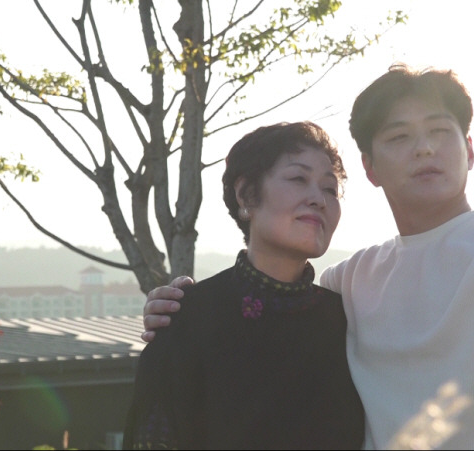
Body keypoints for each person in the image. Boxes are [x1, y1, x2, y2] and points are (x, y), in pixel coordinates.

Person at [140, 63, 474, 449]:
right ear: (371, 168)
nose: (424, 149)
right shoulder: (350, 281)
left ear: (469, 150)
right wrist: (179, 308)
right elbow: (271, 317)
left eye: (440, 131)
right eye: (399, 137)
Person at [122, 121, 365, 450]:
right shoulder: (188, 318)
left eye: (330, 189)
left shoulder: (348, 322)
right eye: (298, 179)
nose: (318, 199)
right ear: (246, 194)